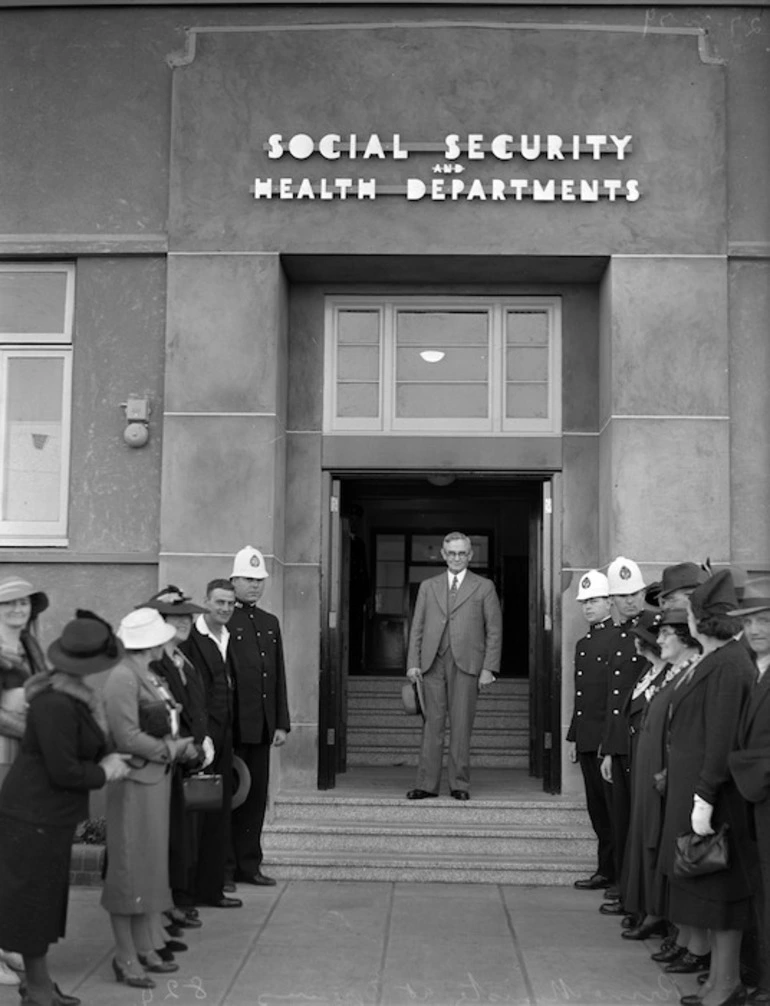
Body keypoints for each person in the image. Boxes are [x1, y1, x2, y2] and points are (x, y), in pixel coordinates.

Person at [0, 610, 130, 1006]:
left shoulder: (70, 694)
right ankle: (38, 990)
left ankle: (38, 985)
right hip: (34, 814)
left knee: (41, 903)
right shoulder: (55, 702)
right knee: (32, 906)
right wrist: (105, 770)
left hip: (46, 816)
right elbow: (64, 770)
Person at [659, 571, 756, 1006]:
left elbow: (718, 737)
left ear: (700, 621)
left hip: (716, 797)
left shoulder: (728, 663)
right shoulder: (720, 660)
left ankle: (726, 982)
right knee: (709, 895)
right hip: (703, 789)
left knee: (721, 894)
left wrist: (704, 795)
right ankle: (719, 979)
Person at [101, 608, 199, 990]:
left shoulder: (148, 673)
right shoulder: (123, 678)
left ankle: (144, 945)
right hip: (136, 782)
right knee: (129, 870)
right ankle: (125, 955)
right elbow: (125, 737)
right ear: (150, 642)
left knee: (150, 867)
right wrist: (172, 749)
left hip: (153, 780)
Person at [620, 610, 701, 942]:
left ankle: (670, 925)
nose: (659, 639)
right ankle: (654, 912)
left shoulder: (689, 672)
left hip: (669, 772)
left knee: (660, 842)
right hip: (651, 767)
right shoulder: (673, 674)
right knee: (648, 837)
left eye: (666, 632)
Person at [405, 531, 502, 801]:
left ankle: (459, 783)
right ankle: (426, 785)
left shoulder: (484, 587)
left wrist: (489, 668)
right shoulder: (428, 586)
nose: (457, 558)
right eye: (452, 553)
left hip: (467, 665)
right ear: (443, 555)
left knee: (461, 726)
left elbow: (494, 630)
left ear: (470, 555)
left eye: (462, 553)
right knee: (431, 726)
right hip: (431, 663)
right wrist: (413, 663)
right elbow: (418, 627)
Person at [142, 586, 212, 928]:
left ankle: (180, 898)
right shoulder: (154, 663)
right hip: (169, 758)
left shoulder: (184, 659)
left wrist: (204, 740)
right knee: (169, 836)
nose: (184, 622)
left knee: (186, 835)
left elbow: (197, 705)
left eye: (187, 616)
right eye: (175, 617)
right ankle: (168, 902)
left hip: (190, 756)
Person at [228, 547, 290, 886]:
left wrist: (281, 722)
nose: (255, 586)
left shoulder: (269, 622)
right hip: (234, 727)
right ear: (234, 580)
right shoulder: (224, 619)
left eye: (259, 581)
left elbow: (277, 675)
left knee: (254, 800)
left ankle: (249, 865)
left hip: (263, 727)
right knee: (230, 799)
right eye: (249, 580)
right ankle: (225, 868)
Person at [180, 578, 243, 907]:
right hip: (201, 741)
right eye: (219, 602)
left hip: (225, 737)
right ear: (206, 601)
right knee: (195, 820)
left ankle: (211, 890)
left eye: (230, 603)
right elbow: (191, 694)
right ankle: (187, 896)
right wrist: (201, 739)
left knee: (218, 816)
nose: (225, 608)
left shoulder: (229, 635)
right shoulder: (191, 638)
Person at [0, 575, 49, 987]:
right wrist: (28, 729)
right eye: (9, 604)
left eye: (24, 604)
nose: (18, 610)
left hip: (24, 759)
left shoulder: (32, 648)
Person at [728, 578, 770, 1005]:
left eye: (765, 621)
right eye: (751, 621)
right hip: (754, 802)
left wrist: (736, 764)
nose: (756, 629)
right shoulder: (755, 668)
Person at [598, 556, 647, 915]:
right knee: (622, 818)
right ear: (611, 599)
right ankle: (626, 886)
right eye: (622, 595)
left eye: (635, 593)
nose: (630, 600)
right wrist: (610, 750)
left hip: (642, 740)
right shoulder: (618, 635)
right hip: (621, 741)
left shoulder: (652, 628)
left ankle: (634, 893)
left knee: (636, 822)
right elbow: (615, 699)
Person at [568, 570, 616, 891]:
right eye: (584, 601)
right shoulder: (583, 643)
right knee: (597, 810)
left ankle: (614, 873)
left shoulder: (620, 639)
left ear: (610, 602)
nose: (587, 607)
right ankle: (606, 869)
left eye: (594, 600)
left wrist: (608, 744)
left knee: (612, 811)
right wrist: (573, 735)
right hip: (586, 738)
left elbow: (616, 696)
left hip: (605, 742)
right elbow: (581, 694)